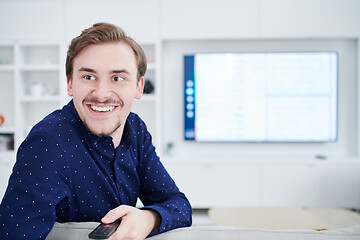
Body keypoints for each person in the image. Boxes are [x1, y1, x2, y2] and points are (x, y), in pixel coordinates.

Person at [0, 23, 192, 239]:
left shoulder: (135, 128)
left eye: (117, 78)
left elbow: (179, 205)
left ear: (139, 87)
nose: (101, 94)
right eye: (89, 77)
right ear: (70, 83)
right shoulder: (48, 143)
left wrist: (148, 218)